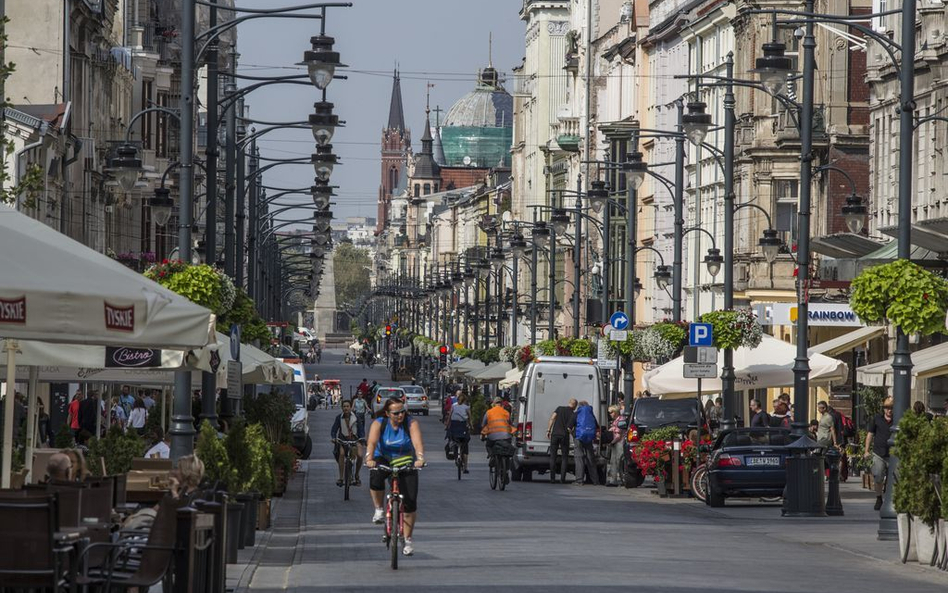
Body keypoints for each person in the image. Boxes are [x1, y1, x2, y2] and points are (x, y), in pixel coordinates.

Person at [365, 397, 425, 557]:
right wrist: (369, 458)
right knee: (376, 476)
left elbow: (417, 442)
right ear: (387, 413)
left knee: (410, 501)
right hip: (383, 457)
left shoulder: (411, 423)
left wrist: (420, 458)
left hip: (404, 458)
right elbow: (371, 442)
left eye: (402, 412)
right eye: (396, 413)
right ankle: (378, 509)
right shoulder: (379, 423)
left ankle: (408, 539)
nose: (400, 415)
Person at [865, 397, 894, 511]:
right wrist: (866, 451)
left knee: (893, 478)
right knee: (878, 476)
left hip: (893, 454)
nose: (889, 410)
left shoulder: (897, 419)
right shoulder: (877, 419)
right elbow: (870, 435)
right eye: (887, 408)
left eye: (891, 408)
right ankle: (878, 498)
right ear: (883, 409)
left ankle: (889, 499)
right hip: (879, 453)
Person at [331, 400, 365, 487]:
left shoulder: (356, 417)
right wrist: (334, 438)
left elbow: (361, 430)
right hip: (343, 440)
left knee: (360, 456)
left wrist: (362, 438)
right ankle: (341, 478)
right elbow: (334, 429)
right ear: (342, 408)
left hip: (354, 440)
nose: (346, 408)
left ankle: (356, 475)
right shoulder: (339, 417)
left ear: (350, 407)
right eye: (344, 406)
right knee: (341, 454)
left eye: (347, 406)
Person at [568, 400, 599, 485]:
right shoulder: (590, 414)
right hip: (589, 438)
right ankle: (595, 480)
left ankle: (579, 480)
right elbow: (596, 426)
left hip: (579, 437)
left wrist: (573, 435)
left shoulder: (577, 413)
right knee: (590, 458)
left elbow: (569, 427)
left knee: (579, 458)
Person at [546, 399, 577, 484]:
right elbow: (572, 428)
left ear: (569, 403)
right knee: (564, 457)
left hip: (555, 434)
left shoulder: (559, 409)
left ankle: (552, 478)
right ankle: (562, 479)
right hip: (564, 436)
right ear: (575, 406)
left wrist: (548, 430)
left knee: (553, 456)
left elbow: (552, 418)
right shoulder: (573, 414)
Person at [447, 394, 472, 473]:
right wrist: (471, 426)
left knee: (453, 439)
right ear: (465, 400)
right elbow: (469, 418)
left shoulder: (453, 406)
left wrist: (447, 426)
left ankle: (453, 452)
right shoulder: (466, 407)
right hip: (463, 427)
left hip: (454, 426)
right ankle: (465, 467)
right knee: (465, 448)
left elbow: (450, 417)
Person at [605, 405, 625, 487]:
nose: (610, 414)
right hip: (616, 443)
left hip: (619, 443)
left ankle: (621, 480)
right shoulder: (616, 421)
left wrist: (611, 442)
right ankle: (613, 480)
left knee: (619, 461)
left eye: (611, 412)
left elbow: (618, 435)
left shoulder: (621, 420)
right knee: (613, 461)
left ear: (615, 412)